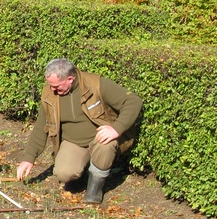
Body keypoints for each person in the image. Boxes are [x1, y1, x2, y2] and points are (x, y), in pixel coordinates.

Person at [15, 58, 143, 204]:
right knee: (64, 173)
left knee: (105, 144)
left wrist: (116, 128)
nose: (52, 90)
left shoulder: (96, 84)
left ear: (70, 79)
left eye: (56, 86)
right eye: (50, 85)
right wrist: (29, 158)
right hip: (73, 142)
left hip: (99, 139)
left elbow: (133, 101)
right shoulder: (49, 93)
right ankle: (80, 175)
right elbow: (41, 126)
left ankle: (94, 190)